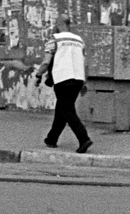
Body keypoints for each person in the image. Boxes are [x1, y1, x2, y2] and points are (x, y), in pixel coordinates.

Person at [34, 16, 91, 154]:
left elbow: (46, 62)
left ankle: (84, 139)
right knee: (62, 109)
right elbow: (85, 63)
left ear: (59, 24)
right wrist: (84, 81)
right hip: (77, 79)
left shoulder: (55, 39)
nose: (54, 26)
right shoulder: (79, 40)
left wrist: (38, 75)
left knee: (68, 110)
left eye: (55, 23)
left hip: (63, 79)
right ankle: (52, 139)